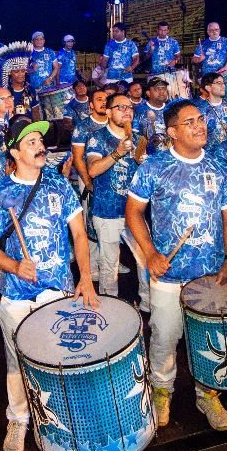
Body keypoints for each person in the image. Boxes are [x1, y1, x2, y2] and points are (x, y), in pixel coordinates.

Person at [126, 100, 227, 431]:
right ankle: (161, 390)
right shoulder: (154, 166)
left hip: (211, 277)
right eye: (190, 122)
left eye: (201, 119)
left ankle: (207, 394)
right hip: (169, 276)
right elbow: (133, 212)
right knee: (165, 338)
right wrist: (150, 252)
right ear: (172, 132)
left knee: (209, 339)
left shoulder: (220, 167)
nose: (199, 126)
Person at [0, 118, 97, 451]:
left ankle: (63, 420)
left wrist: (86, 277)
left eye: (40, 140)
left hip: (57, 289)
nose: (39, 146)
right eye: (30, 142)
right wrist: (15, 266)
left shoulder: (59, 185)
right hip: (16, 293)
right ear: (15, 152)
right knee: (17, 363)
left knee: (59, 359)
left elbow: (78, 234)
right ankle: (18, 419)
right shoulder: (2, 192)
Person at [84, 93, 148, 300]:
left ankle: (148, 302)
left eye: (130, 107)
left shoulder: (139, 139)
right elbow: (93, 170)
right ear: (108, 112)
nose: (127, 111)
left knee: (145, 258)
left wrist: (145, 164)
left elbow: (147, 176)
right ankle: (109, 304)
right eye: (121, 107)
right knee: (109, 264)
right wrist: (117, 153)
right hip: (106, 211)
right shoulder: (97, 137)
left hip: (134, 211)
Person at [195, 73, 227, 162]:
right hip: (211, 157)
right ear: (208, 87)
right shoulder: (200, 109)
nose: (223, 86)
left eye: (223, 83)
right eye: (219, 83)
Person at [192, 21, 227, 95]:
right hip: (207, 77)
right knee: (210, 97)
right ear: (208, 32)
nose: (214, 32)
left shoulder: (226, 41)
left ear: (219, 30)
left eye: (216, 29)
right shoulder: (203, 44)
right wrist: (199, 59)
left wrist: (226, 67)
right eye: (212, 30)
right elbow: (193, 60)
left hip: (223, 74)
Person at [134, 76, 171, 156]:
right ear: (148, 93)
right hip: (148, 156)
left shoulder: (172, 109)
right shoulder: (139, 111)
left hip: (169, 155)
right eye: (157, 89)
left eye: (164, 88)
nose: (161, 92)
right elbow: (135, 136)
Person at [99, 22, 140, 87]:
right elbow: (105, 60)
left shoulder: (131, 44)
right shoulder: (109, 44)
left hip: (126, 78)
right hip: (111, 78)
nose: (114, 33)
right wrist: (102, 68)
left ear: (123, 32)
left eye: (116, 31)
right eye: (113, 31)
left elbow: (136, 58)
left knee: (126, 96)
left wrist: (132, 67)